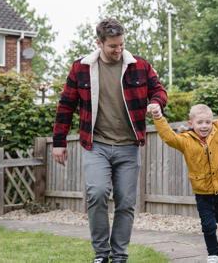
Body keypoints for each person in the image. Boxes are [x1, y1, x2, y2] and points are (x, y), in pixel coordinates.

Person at [52, 18, 167, 263]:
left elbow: (159, 90)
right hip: (97, 145)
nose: (118, 50)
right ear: (99, 43)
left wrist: (156, 103)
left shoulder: (139, 66)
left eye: (121, 45)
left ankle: (119, 256)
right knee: (96, 193)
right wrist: (59, 141)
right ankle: (101, 254)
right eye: (112, 46)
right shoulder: (81, 68)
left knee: (126, 202)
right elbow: (66, 105)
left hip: (128, 146)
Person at [148, 76, 218, 263]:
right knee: (208, 225)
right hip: (202, 191)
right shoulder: (185, 141)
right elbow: (169, 137)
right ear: (192, 124)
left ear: (212, 122)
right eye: (200, 123)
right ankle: (213, 254)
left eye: (208, 122)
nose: (205, 126)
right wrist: (158, 117)